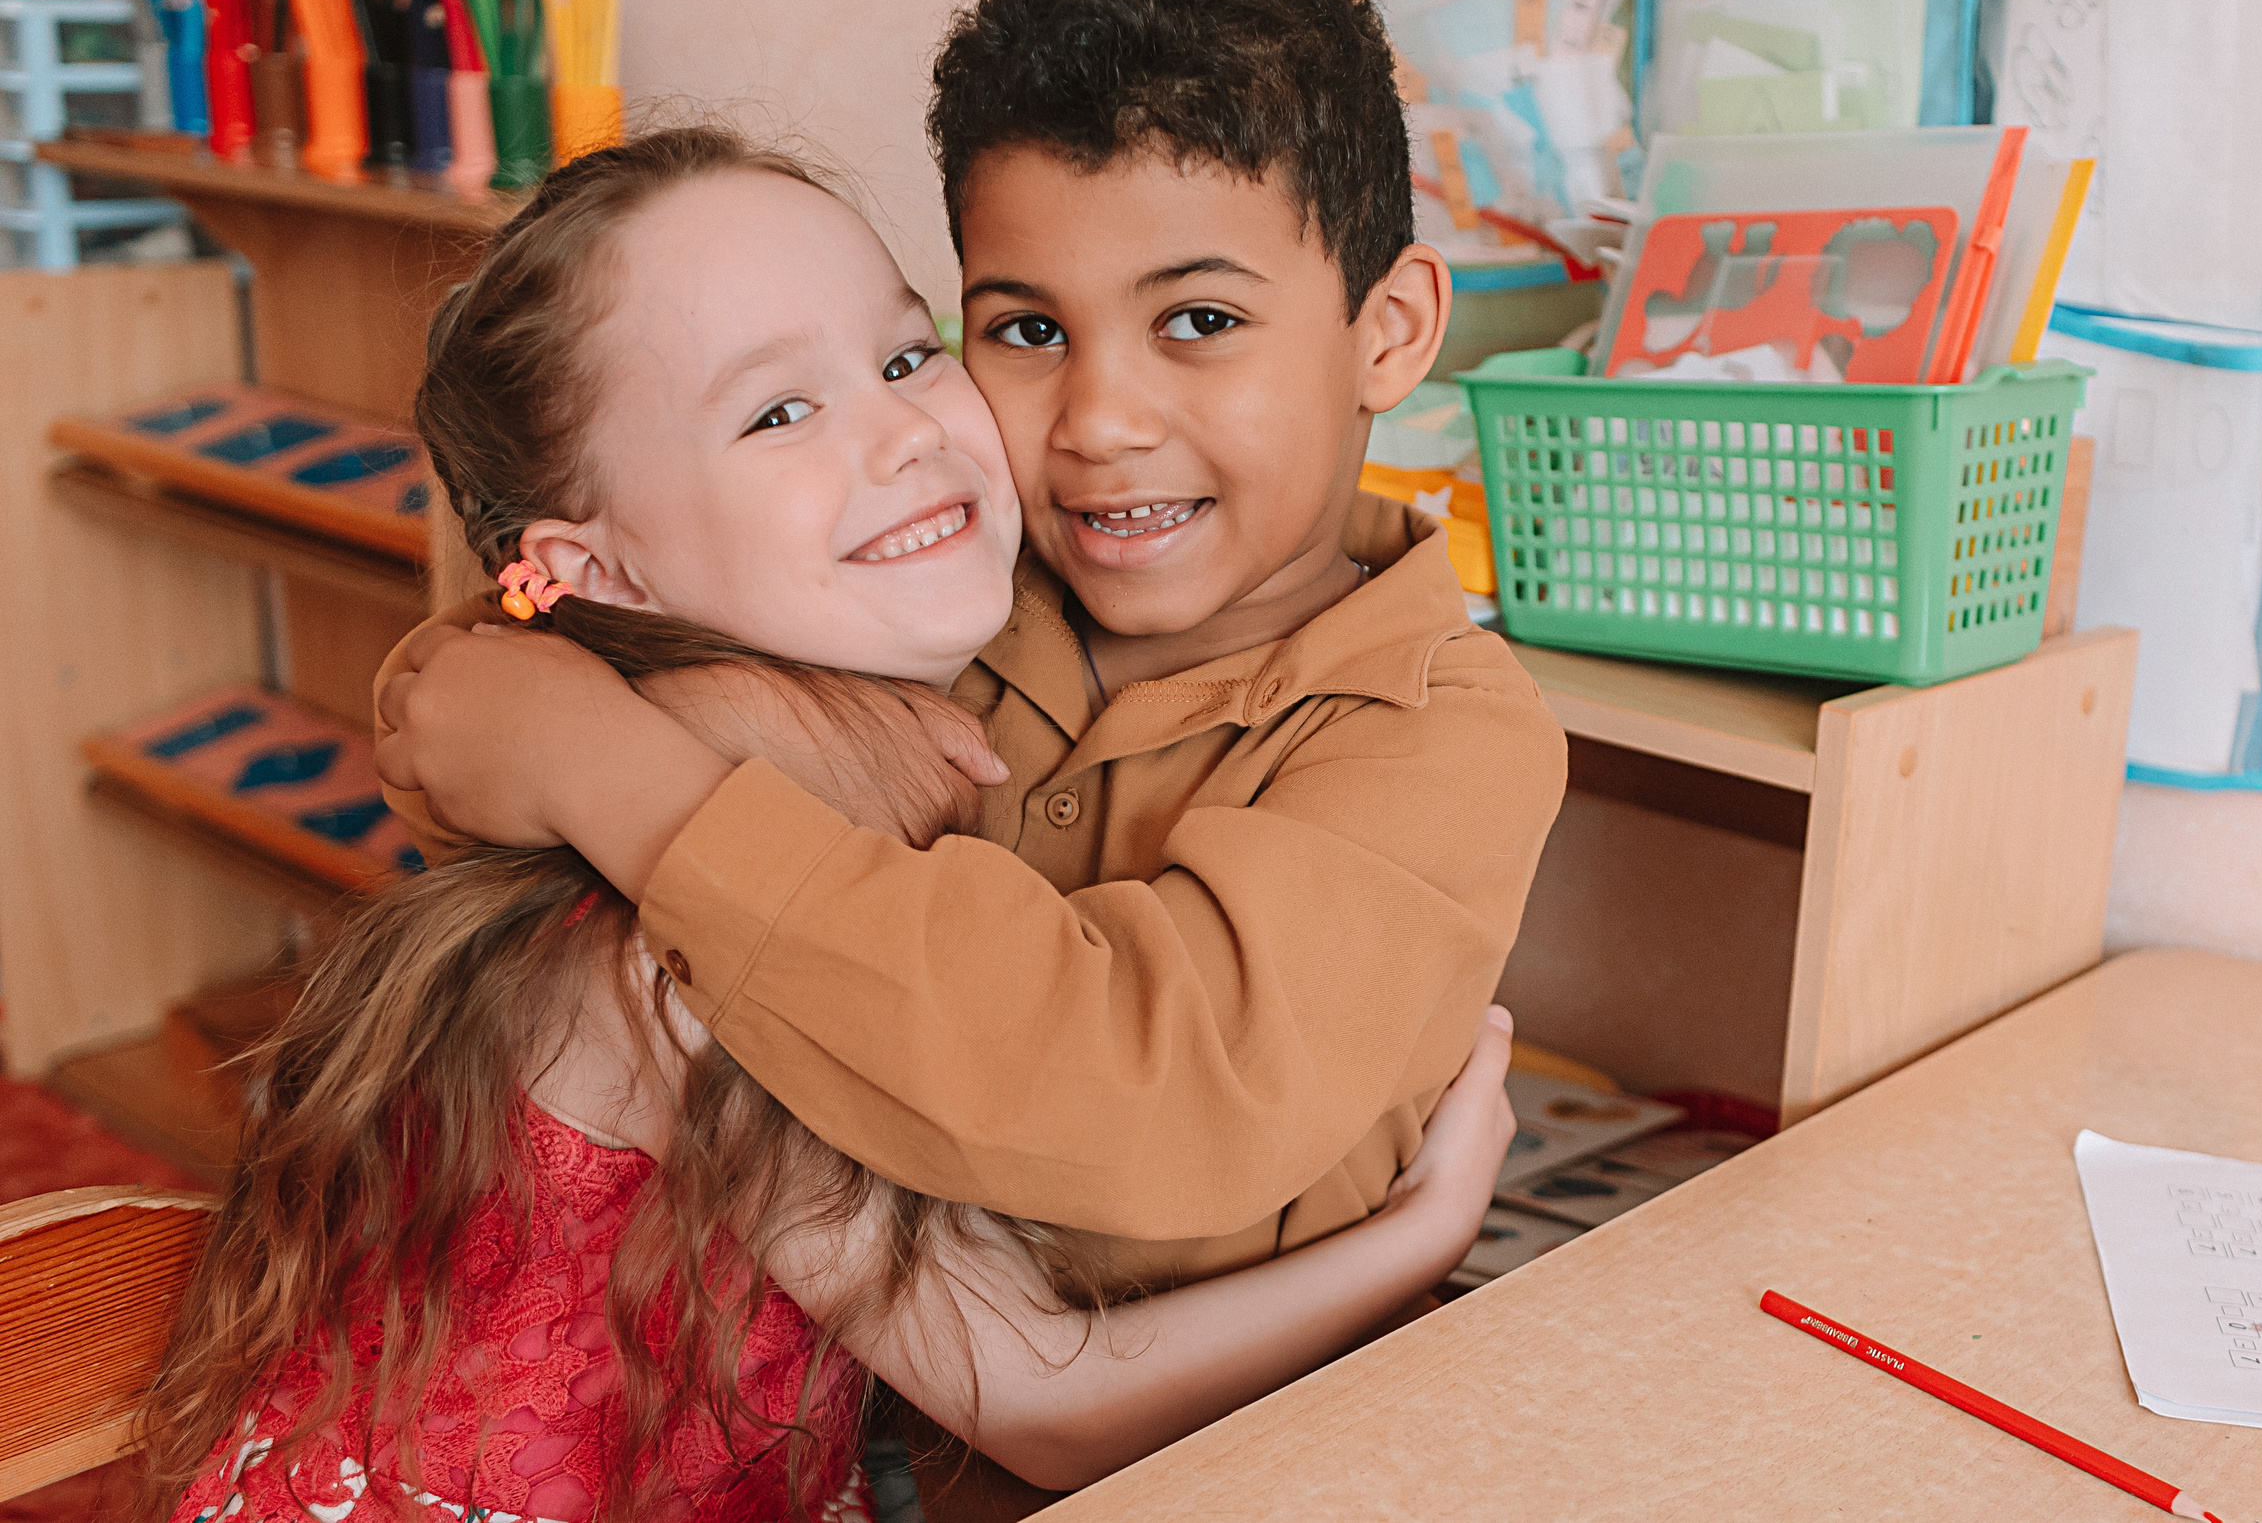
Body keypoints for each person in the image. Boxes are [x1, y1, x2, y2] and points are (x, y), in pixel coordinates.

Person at [139, 127, 1519, 1523]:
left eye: (908, 358)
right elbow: (1050, 1404)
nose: (905, 432)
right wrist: (1421, 1236)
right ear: (583, 566)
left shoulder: (819, 695)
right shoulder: (667, 937)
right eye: (777, 414)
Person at [375, 0, 1572, 1295]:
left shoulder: (1445, 734)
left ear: (1392, 330)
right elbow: (474, 705)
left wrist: (616, 775)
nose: (1102, 420)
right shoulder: (956, 582)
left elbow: (1144, 1097)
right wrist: (548, 722)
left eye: (1199, 322)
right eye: (1027, 331)